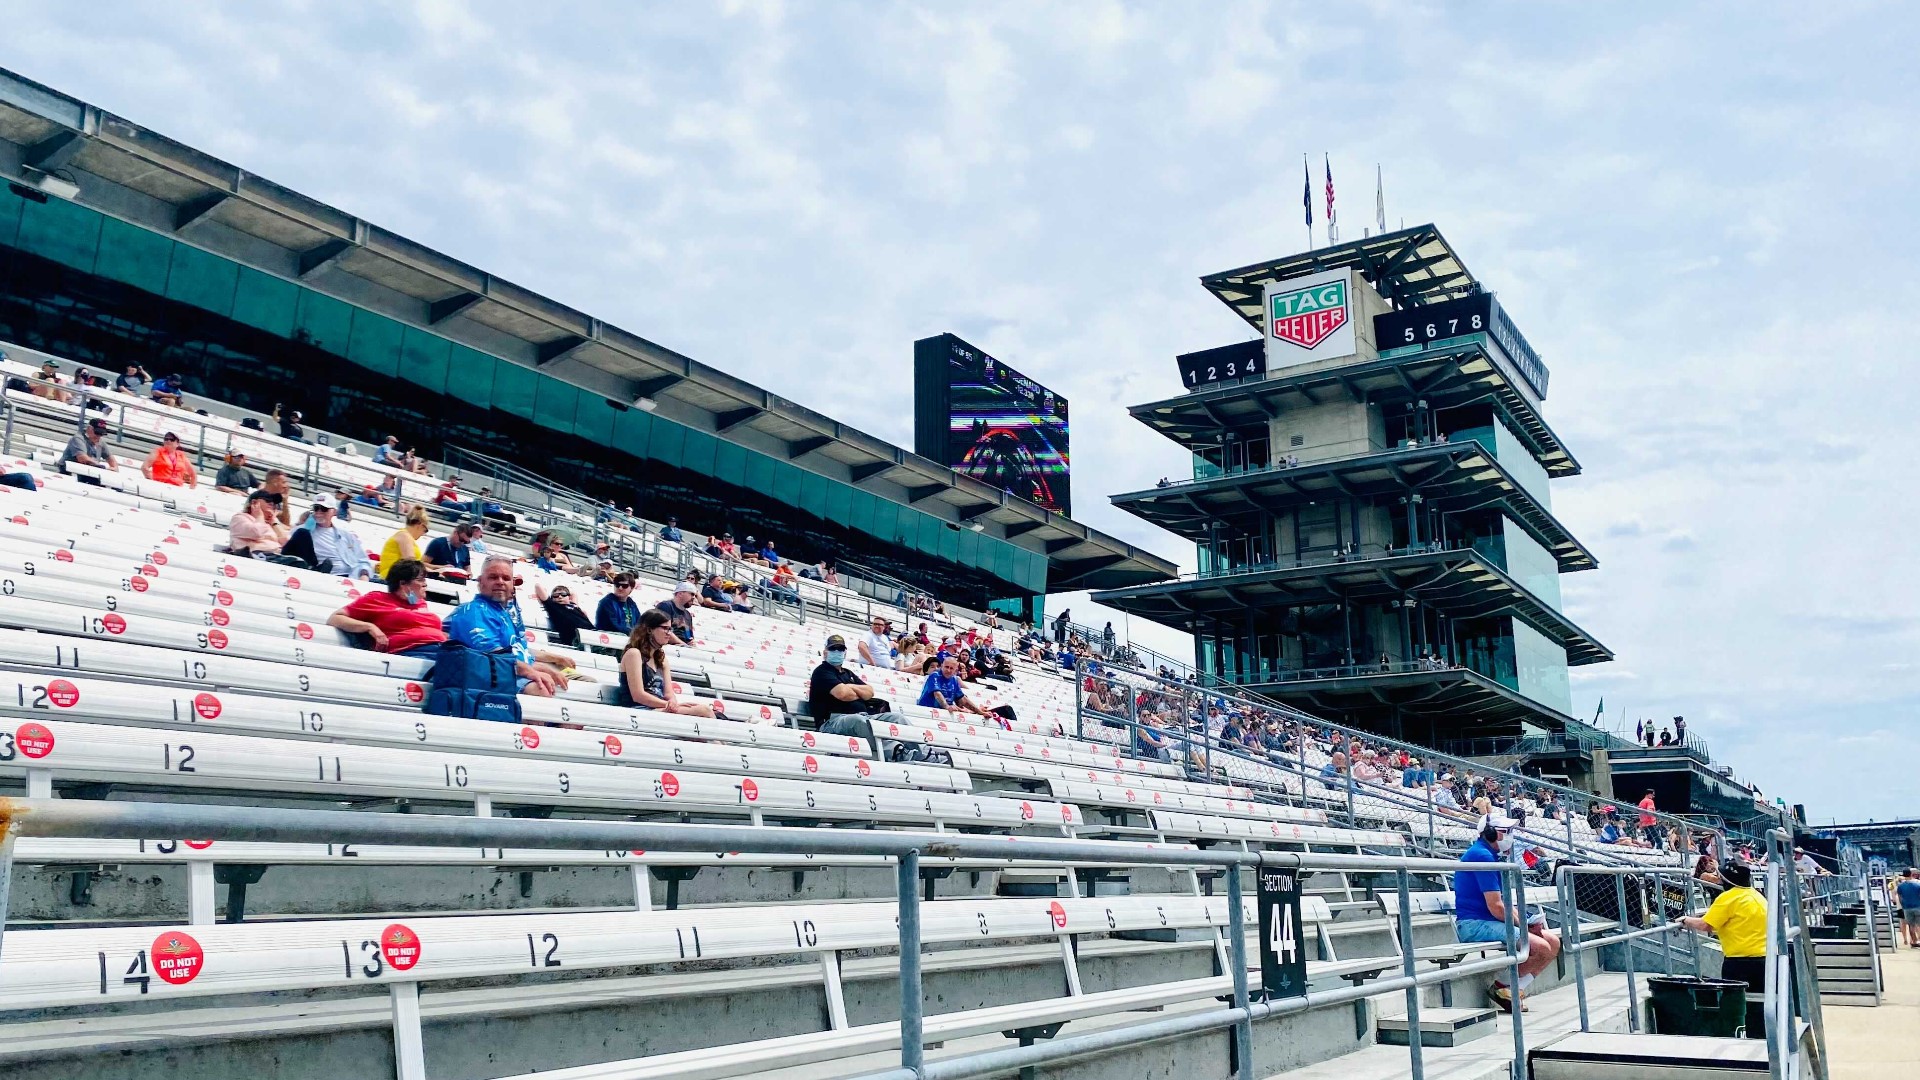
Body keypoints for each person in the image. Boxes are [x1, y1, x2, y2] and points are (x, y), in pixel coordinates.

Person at [1453, 814, 1560, 1012]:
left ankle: (1512, 990)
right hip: (1473, 924)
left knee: (1553, 942)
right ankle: (1501, 987)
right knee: (1540, 947)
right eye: (1507, 832)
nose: (1511, 836)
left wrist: (1527, 921)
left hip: (1489, 921)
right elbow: (1496, 907)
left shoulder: (1490, 856)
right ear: (1491, 833)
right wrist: (1524, 926)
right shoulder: (1481, 856)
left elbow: (1502, 904)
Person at [442, 555, 566, 696]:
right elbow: (495, 656)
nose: (500, 582)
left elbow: (520, 653)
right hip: (490, 677)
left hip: (511, 672)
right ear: (480, 582)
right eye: (493, 577)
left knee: (581, 681)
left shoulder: (504, 613)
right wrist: (533, 671)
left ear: (512, 584)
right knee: (541, 689)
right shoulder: (473, 611)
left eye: (506, 578)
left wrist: (550, 664)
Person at [326, 559, 446, 658]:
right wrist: (370, 627)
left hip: (440, 650)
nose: (425, 584)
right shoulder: (376, 598)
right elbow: (335, 618)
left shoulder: (420, 603)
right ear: (403, 583)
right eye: (420, 580)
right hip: (410, 652)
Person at [1681, 860, 1767, 992]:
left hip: (1739, 961)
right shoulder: (1758, 896)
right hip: (1764, 959)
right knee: (1760, 1001)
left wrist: (1686, 920)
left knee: (1736, 1002)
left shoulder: (1728, 898)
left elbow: (1705, 925)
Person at [613, 609, 713, 716]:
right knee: (703, 711)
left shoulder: (661, 658)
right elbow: (638, 695)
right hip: (638, 710)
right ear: (649, 630)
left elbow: (669, 693)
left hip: (659, 708)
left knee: (706, 710)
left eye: (670, 629)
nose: (669, 633)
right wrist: (668, 705)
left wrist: (673, 703)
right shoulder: (634, 654)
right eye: (665, 628)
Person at [806, 635, 889, 753]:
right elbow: (843, 694)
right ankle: (894, 751)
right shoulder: (821, 672)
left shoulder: (848, 673)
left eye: (840, 649)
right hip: (831, 721)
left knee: (896, 718)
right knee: (858, 721)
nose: (837, 652)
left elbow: (870, 692)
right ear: (825, 652)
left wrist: (849, 686)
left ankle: (921, 752)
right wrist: (857, 692)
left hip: (863, 716)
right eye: (833, 649)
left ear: (844, 653)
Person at [283, 500, 371, 579]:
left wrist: (364, 574)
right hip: (323, 575)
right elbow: (286, 548)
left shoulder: (346, 533)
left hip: (351, 576)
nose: (319, 512)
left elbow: (362, 559)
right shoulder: (302, 531)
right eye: (316, 508)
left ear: (334, 511)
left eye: (324, 509)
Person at [227, 490, 291, 556]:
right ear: (254, 502)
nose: (272, 503)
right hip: (257, 556)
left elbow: (286, 543)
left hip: (277, 555)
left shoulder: (271, 522)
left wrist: (274, 522)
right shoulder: (239, 518)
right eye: (267, 500)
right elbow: (256, 533)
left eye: (274, 502)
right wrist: (260, 516)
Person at [534, 582, 597, 649]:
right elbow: (538, 586)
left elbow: (574, 593)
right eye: (556, 595)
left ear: (569, 597)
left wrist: (563, 589)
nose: (560, 597)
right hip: (577, 640)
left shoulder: (574, 605)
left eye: (563, 594)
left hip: (594, 634)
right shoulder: (553, 606)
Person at [918, 655, 986, 715]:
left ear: (955, 670)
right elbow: (937, 694)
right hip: (926, 711)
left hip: (944, 712)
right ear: (942, 666)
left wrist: (980, 712)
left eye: (951, 668)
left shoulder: (954, 680)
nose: (948, 670)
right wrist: (947, 706)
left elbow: (963, 699)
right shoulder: (935, 675)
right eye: (946, 667)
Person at [377, 506, 432, 580]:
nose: (424, 534)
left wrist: (436, 569)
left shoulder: (405, 536)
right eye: (425, 530)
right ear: (420, 525)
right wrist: (433, 572)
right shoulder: (404, 536)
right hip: (390, 579)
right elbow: (411, 563)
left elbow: (416, 563)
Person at [59, 417, 116, 483]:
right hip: (69, 471)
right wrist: (100, 466)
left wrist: (112, 468)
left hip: (88, 472)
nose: (99, 436)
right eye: (97, 433)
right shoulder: (78, 438)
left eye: (101, 434)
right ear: (89, 429)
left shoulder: (101, 442)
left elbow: (112, 460)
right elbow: (82, 458)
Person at [1896, 868, 1920, 949]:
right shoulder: (1917, 885)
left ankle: (1914, 941)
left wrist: (1903, 905)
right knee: (1919, 925)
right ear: (1911, 874)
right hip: (1917, 906)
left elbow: (1900, 898)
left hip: (1907, 908)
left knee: (1911, 925)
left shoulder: (1900, 886)